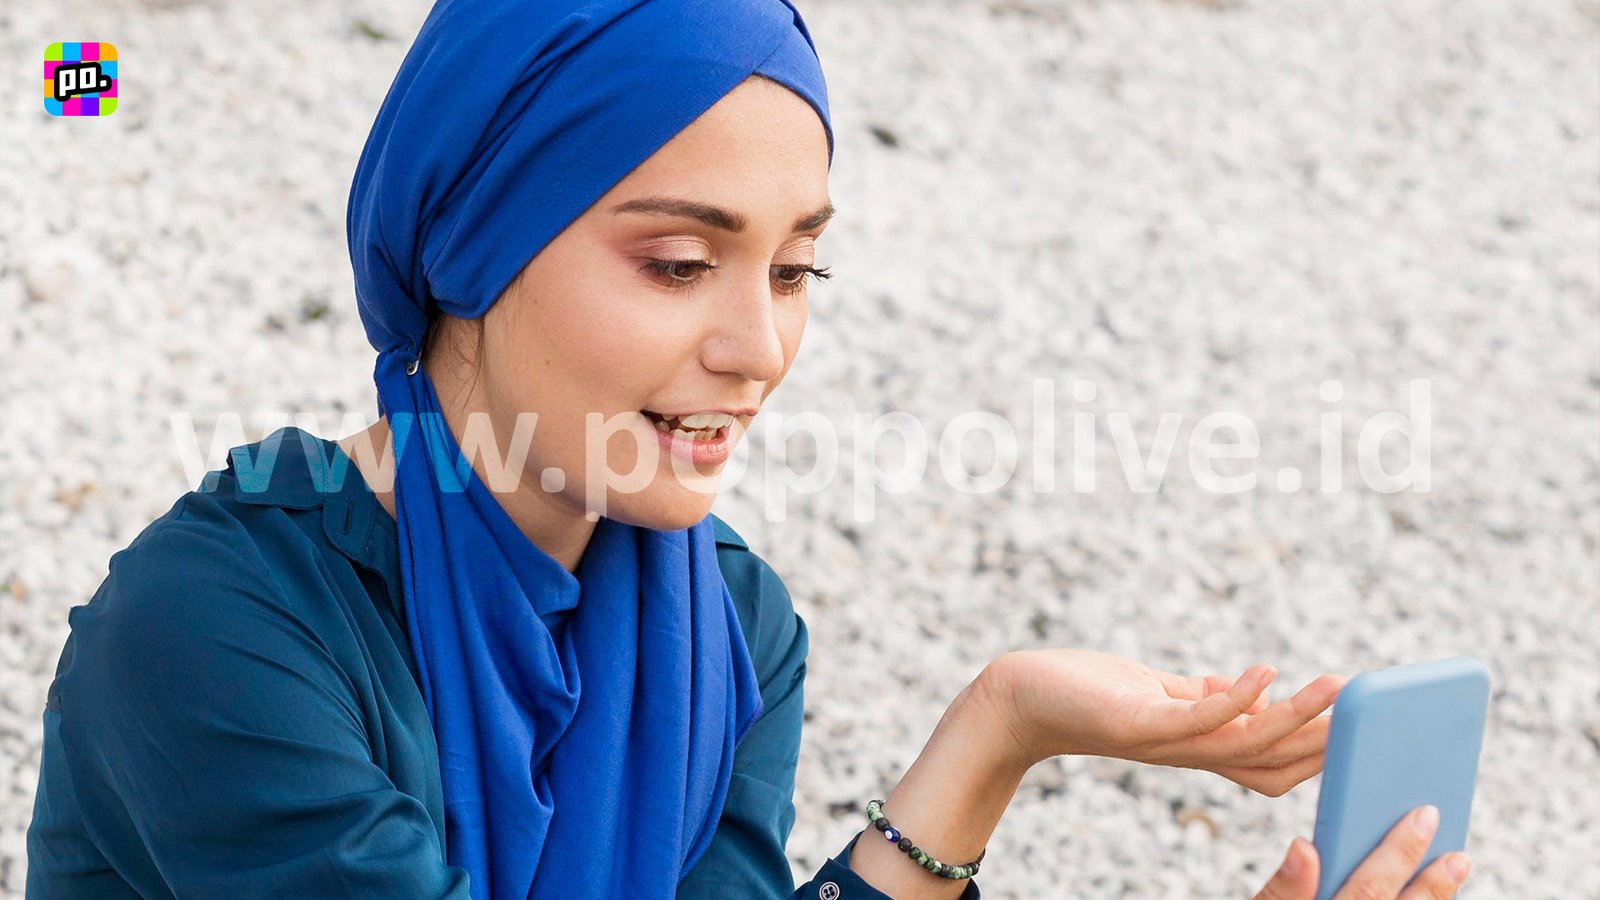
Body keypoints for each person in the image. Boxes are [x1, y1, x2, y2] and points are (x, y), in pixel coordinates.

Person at [24, 0, 1473, 898]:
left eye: (793, 271)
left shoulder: (727, 626)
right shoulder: (223, 628)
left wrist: (1001, 728)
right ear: (468, 248)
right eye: (676, 264)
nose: (759, 348)